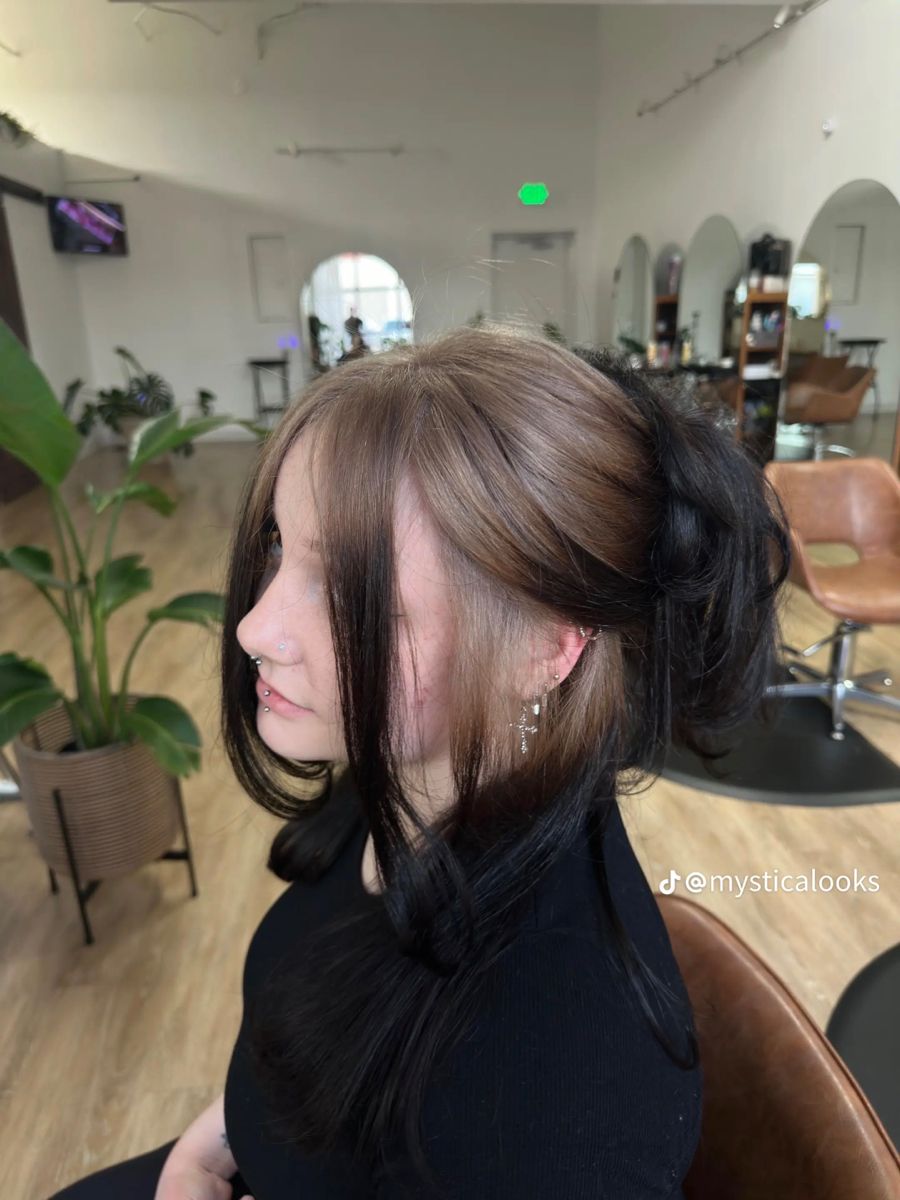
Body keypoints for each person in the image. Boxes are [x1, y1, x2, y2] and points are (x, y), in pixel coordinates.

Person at [50, 320, 791, 1200]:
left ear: (545, 650)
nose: (254, 628)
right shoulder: (409, 779)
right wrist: (214, 1140)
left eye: (352, 590)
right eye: (280, 546)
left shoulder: (553, 1108)